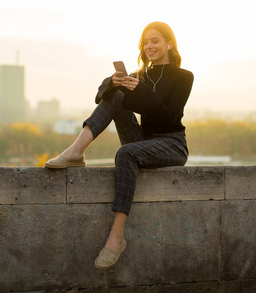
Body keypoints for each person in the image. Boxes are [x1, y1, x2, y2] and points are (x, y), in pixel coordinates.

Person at [45, 21, 194, 269]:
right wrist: (114, 82)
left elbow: (169, 115)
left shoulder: (183, 77)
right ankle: (75, 152)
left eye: (154, 41)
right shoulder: (138, 76)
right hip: (143, 140)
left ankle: (116, 238)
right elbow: (100, 96)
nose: (149, 46)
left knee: (125, 153)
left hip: (171, 143)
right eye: (145, 42)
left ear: (169, 43)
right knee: (116, 95)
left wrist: (142, 90)